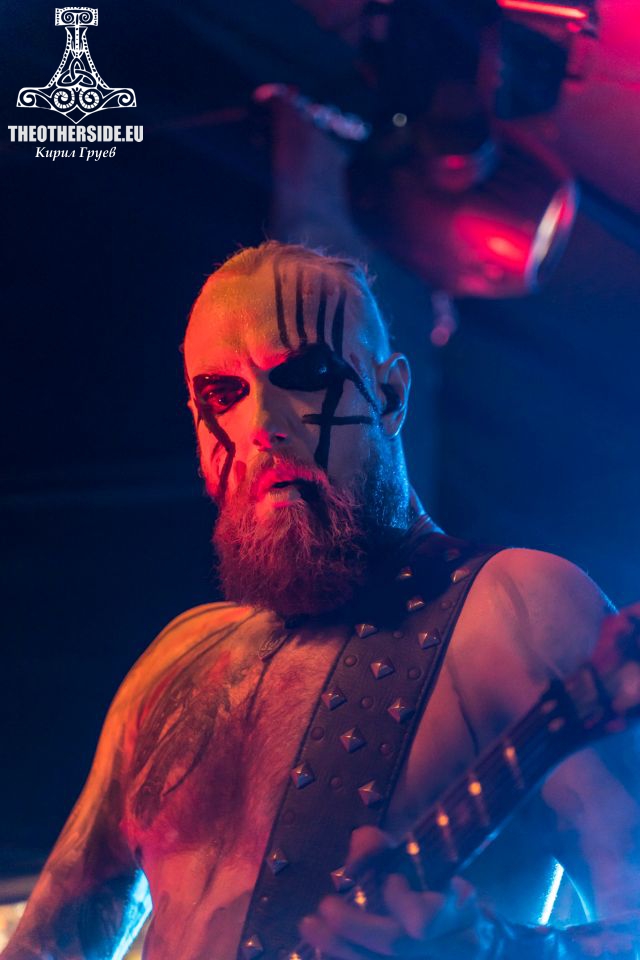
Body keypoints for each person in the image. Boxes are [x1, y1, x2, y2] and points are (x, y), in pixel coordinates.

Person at [5, 241, 640, 960]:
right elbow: (46, 946)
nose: (261, 423)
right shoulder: (175, 664)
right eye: (222, 394)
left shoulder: (519, 606)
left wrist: (491, 950)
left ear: (391, 396)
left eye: (305, 374)